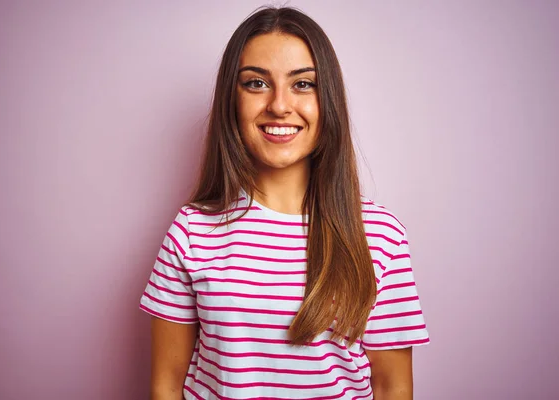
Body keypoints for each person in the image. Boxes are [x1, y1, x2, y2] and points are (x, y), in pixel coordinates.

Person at [139, 6, 429, 400]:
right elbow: (166, 385)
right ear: (232, 100)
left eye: (302, 84)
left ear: (327, 100)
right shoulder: (191, 232)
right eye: (256, 83)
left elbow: (392, 386)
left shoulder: (380, 236)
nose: (278, 105)